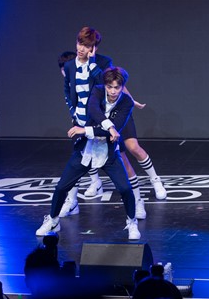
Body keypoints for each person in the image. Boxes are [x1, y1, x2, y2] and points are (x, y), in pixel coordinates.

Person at [59, 26, 167, 221]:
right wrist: (73, 112)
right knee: (80, 159)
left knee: (130, 150)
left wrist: (131, 101)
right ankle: (72, 200)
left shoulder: (103, 62)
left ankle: (149, 186)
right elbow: (69, 91)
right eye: (80, 43)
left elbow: (114, 85)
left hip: (114, 113)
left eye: (87, 45)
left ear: (94, 47)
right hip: (90, 117)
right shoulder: (70, 66)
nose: (81, 48)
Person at [36, 66, 141, 239]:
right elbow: (93, 110)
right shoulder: (98, 91)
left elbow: (115, 128)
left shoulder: (126, 102)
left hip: (109, 153)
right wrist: (109, 127)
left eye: (117, 87)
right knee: (62, 187)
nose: (113, 91)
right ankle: (53, 220)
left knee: (125, 188)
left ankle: (132, 222)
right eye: (109, 87)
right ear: (105, 85)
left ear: (122, 87)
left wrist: (86, 130)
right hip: (86, 149)